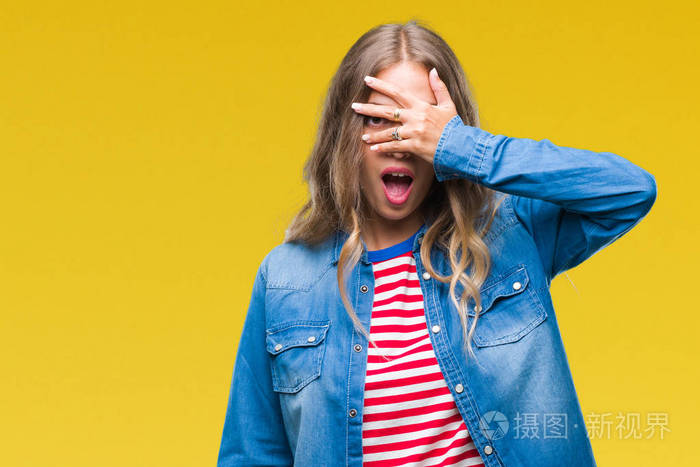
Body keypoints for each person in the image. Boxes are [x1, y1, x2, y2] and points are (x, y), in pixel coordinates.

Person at [217, 20, 657, 467]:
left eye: (419, 122)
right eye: (378, 119)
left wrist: (462, 146)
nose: (401, 142)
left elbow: (629, 191)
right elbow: (252, 454)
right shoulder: (287, 279)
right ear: (343, 134)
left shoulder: (509, 233)